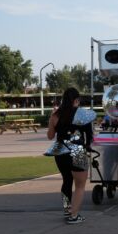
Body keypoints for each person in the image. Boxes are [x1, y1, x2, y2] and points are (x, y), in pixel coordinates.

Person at [47, 87, 95, 224]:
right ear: (76, 100)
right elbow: (89, 137)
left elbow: (50, 136)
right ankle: (74, 216)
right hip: (77, 151)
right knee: (80, 185)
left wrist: (51, 122)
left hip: (60, 151)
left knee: (66, 180)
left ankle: (67, 209)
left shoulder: (55, 115)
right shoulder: (83, 115)